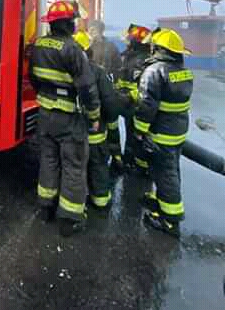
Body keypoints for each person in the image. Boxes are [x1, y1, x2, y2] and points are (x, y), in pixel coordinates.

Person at [29, 0, 101, 237]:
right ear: (70, 24)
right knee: (73, 165)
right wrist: (94, 116)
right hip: (69, 118)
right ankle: (69, 221)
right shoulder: (73, 50)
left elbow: (34, 79)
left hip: (45, 114)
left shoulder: (38, 45)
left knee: (48, 160)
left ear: (51, 24)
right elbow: (87, 88)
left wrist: (46, 95)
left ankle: (45, 208)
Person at [133, 28, 193, 238]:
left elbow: (146, 105)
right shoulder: (184, 71)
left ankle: (169, 220)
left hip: (161, 132)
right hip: (177, 132)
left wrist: (139, 130)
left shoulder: (154, 71)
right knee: (171, 169)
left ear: (160, 48)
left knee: (165, 173)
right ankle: (161, 202)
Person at [74, 30, 123, 210]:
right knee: (97, 166)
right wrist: (111, 120)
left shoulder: (66, 70)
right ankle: (100, 200)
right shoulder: (98, 72)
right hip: (94, 133)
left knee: (73, 168)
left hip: (72, 131)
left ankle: (75, 202)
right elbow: (109, 103)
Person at [116, 24, 152, 171]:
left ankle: (139, 165)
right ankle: (129, 160)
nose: (127, 41)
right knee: (130, 133)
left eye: (130, 39)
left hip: (136, 105)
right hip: (125, 103)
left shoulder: (146, 61)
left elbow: (146, 88)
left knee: (137, 136)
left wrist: (129, 96)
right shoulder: (126, 55)